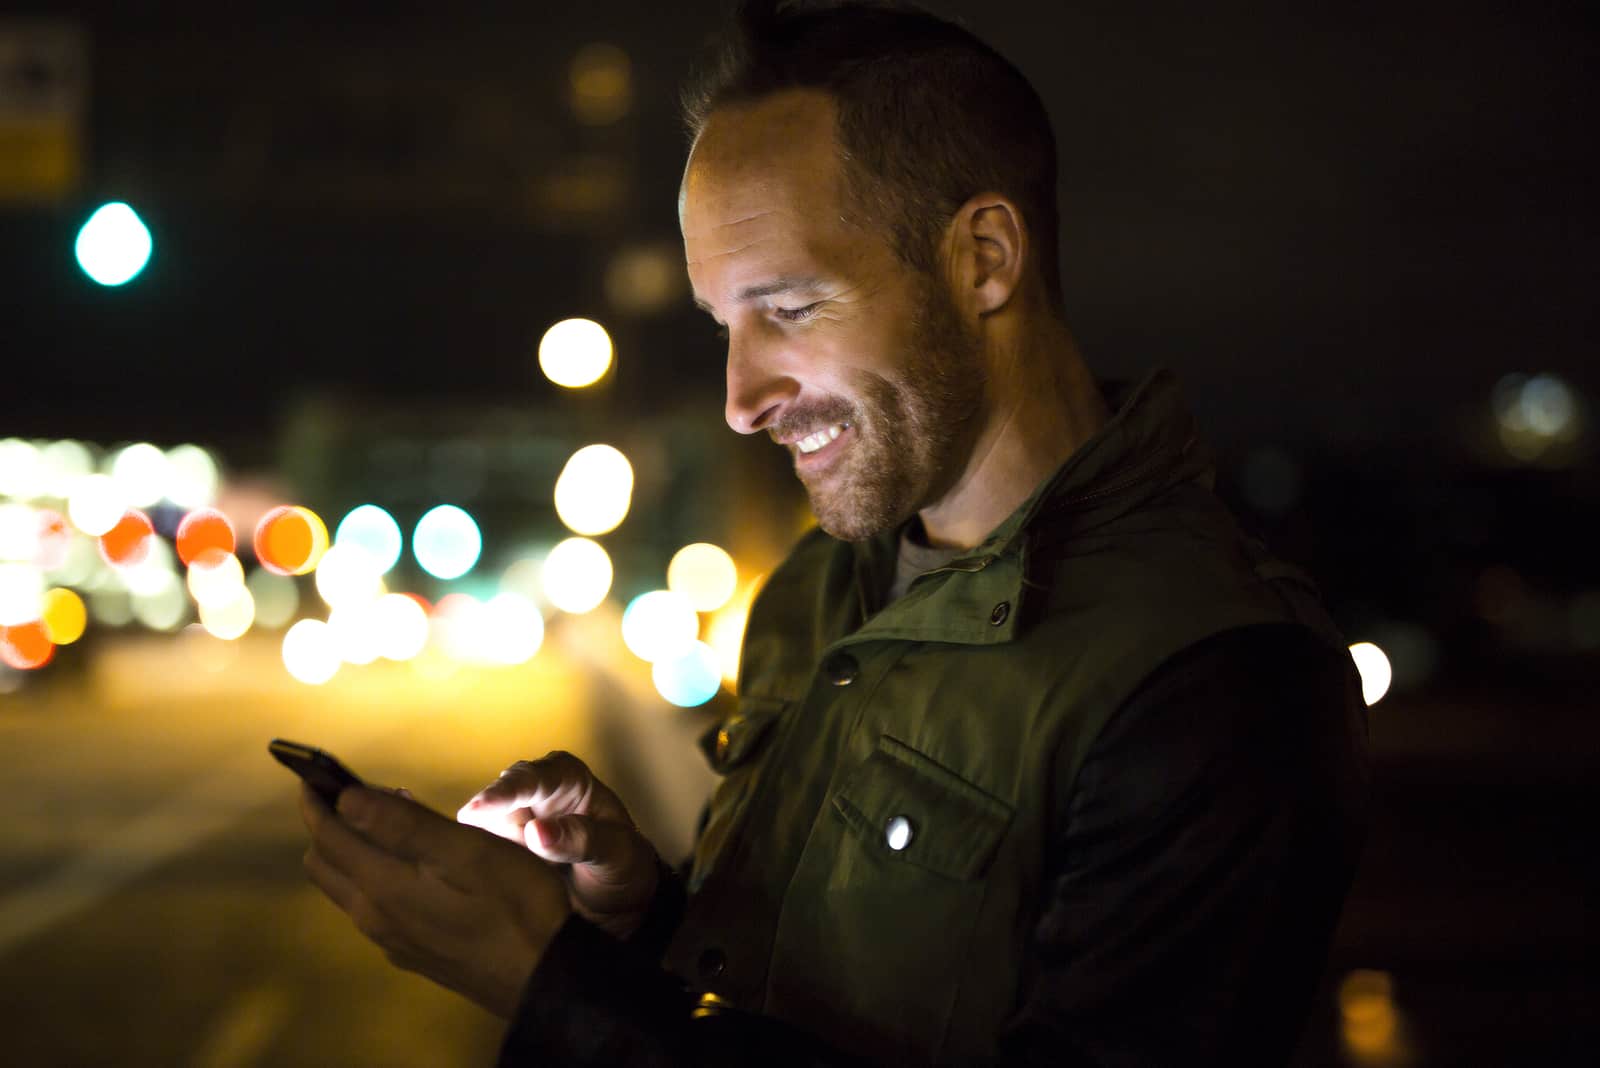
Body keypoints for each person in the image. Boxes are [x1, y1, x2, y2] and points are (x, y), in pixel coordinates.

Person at [297, 2, 1371, 1064]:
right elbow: (796, 1001)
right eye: (724, 325)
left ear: (985, 258)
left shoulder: (1217, 677)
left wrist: (548, 988)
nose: (738, 397)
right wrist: (636, 916)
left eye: (791, 309)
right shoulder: (816, 589)